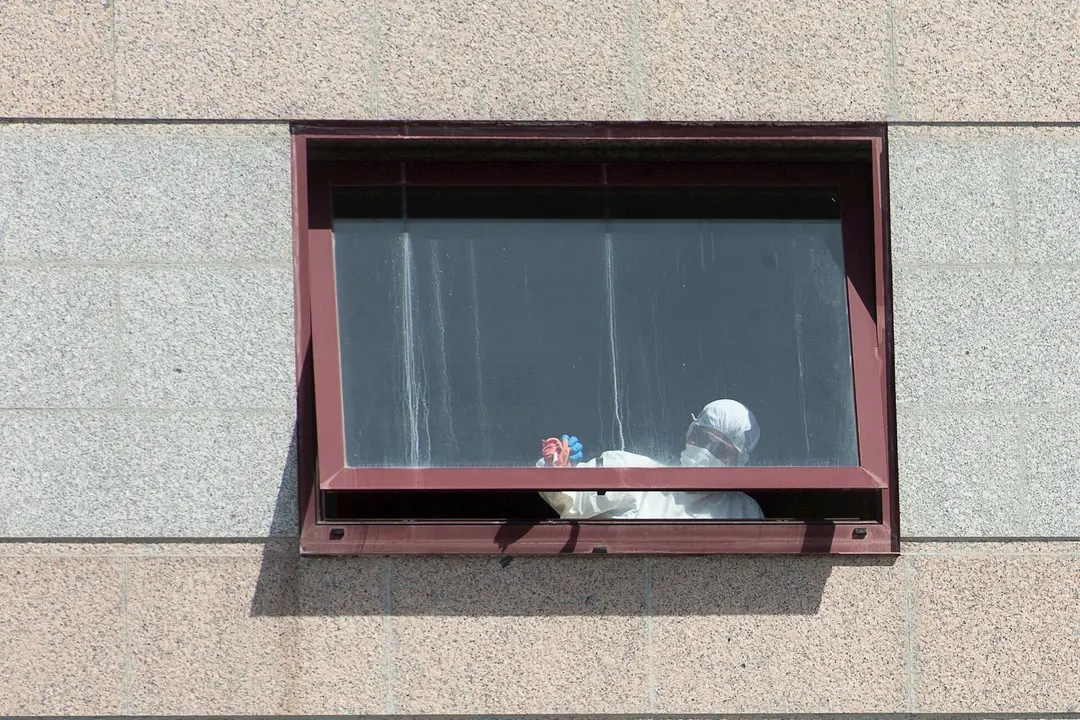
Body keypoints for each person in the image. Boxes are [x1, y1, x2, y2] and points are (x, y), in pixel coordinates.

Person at [538, 399, 765, 520]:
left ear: (737, 461)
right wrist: (561, 470)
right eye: (702, 438)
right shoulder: (633, 475)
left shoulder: (742, 510)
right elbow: (572, 501)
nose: (707, 451)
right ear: (690, 433)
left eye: (721, 450)